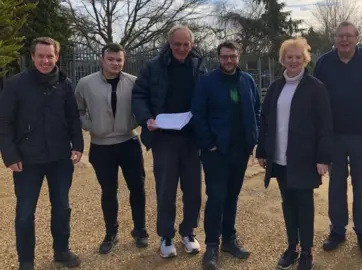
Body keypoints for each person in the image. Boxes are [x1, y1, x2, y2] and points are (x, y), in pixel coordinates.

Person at [0, 37, 84, 270]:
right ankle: (26, 261)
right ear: (33, 57)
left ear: (57, 56)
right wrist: (10, 155)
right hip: (27, 160)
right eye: (41, 56)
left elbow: (72, 118)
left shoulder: (65, 84)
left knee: (62, 208)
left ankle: (61, 252)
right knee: (25, 213)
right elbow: (4, 122)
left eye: (50, 56)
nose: (46, 61)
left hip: (59, 158)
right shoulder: (15, 84)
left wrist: (77, 145)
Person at [256, 37, 333, 270]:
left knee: (304, 205)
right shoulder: (276, 87)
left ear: (305, 59)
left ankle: (307, 251)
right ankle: (292, 247)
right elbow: (265, 120)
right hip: (279, 158)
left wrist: (322, 158)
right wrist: (262, 150)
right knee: (288, 204)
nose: (293, 61)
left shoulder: (315, 87)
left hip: (304, 158)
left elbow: (325, 125)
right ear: (282, 60)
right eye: (289, 57)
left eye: (298, 57)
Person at [131, 25, 207, 258]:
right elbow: (139, 94)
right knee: (166, 189)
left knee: (194, 189)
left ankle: (188, 231)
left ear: (192, 44)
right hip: (164, 137)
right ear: (169, 43)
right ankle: (166, 235)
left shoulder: (199, 66)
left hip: (192, 137)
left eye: (186, 44)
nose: (182, 48)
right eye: (177, 44)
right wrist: (146, 118)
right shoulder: (154, 66)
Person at [313, 21, 362, 256]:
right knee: (336, 186)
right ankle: (338, 231)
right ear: (335, 38)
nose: (345, 40)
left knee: (361, 187)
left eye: (349, 36)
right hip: (334, 137)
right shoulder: (323, 63)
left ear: (356, 38)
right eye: (341, 36)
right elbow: (317, 100)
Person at [191, 41, 261, 270]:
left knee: (232, 196)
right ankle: (212, 244)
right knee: (216, 197)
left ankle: (229, 238)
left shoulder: (247, 80)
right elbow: (198, 115)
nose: (228, 60)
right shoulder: (207, 81)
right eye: (224, 57)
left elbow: (256, 109)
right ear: (218, 57)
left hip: (240, 151)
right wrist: (208, 144)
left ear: (238, 57)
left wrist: (253, 137)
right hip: (215, 152)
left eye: (232, 56)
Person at [74, 43, 148, 254]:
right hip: (101, 146)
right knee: (108, 191)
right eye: (111, 59)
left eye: (119, 60)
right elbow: (77, 110)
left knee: (138, 188)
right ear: (102, 60)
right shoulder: (85, 83)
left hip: (129, 143)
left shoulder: (133, 82)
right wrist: (91, 126)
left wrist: (133, 123)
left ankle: (140, 230)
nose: (115, 63)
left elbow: (142, 106)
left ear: (123, 61)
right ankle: (110, 233)